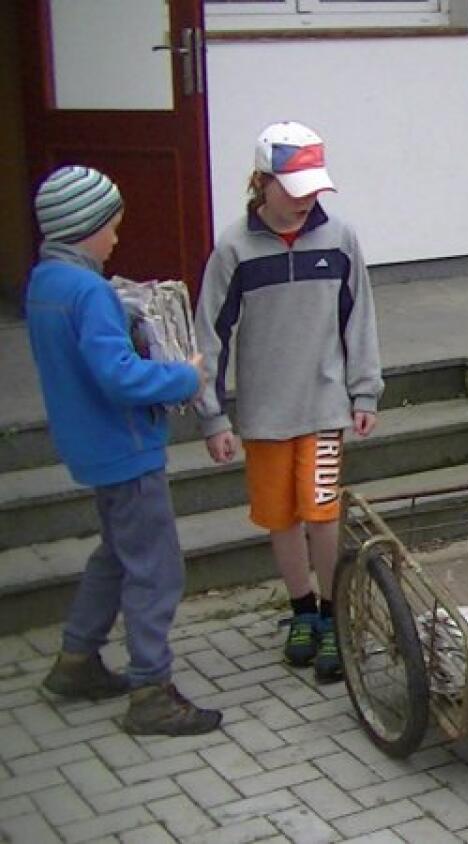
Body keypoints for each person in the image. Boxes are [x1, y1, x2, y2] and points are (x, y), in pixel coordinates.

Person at [27, 165, 221, 735]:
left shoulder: (45, 282)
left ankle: (77, 659)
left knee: (116, 553)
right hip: (126, 448)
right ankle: (151, 691)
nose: (116, 238)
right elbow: (118, 376)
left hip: (90, 445)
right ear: (85, 227)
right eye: (112, 227)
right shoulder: (88, 292)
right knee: (156, 568)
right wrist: (184, 378)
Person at [195, 121, 383, 683]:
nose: (306, 199)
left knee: (322, 514)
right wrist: (213, 415)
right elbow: (210, 334)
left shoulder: (340, 239)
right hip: (264, 415)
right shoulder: (233, 248)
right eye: (294, 188)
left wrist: (365, 389)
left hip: (325, 407)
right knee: (280, 517)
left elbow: (359, 318)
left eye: (314, 188)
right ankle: (302, 610)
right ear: (262, 182)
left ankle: (333, 613)